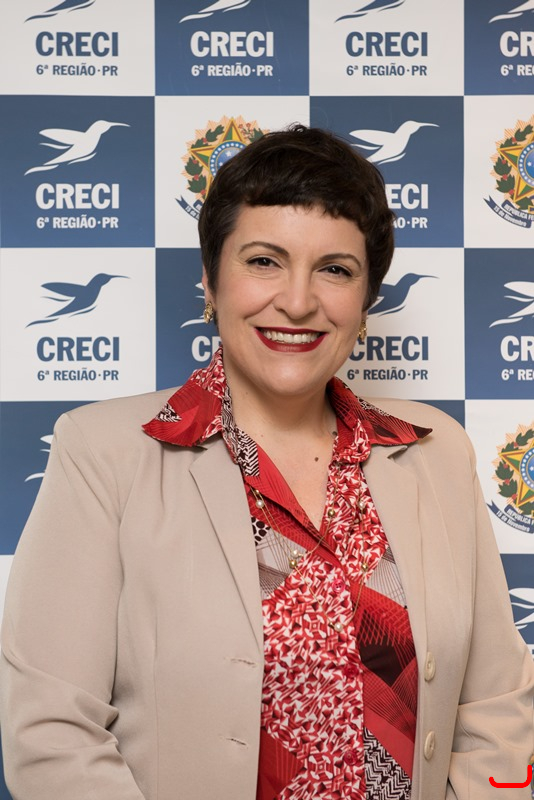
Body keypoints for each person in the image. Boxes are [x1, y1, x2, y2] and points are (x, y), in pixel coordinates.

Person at [1, 125, 532, 800]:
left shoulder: (436, 451)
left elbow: (497, 707)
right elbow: (51, 733)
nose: (298, 301)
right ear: (210, 279)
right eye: (263, 261)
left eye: (335, 270)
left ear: (366, 300)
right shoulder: (103, 453)